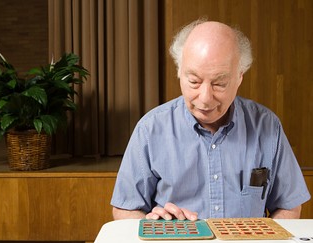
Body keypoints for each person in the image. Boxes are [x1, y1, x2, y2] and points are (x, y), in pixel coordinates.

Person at [110, 19, 311, 221]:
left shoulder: (267, 126)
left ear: (239, 77)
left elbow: (289, 206)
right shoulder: (150, 129)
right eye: (194, 82)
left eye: (219, 83)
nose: (205, 98)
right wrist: (152, 224)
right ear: (179, 73)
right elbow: (125, 209)